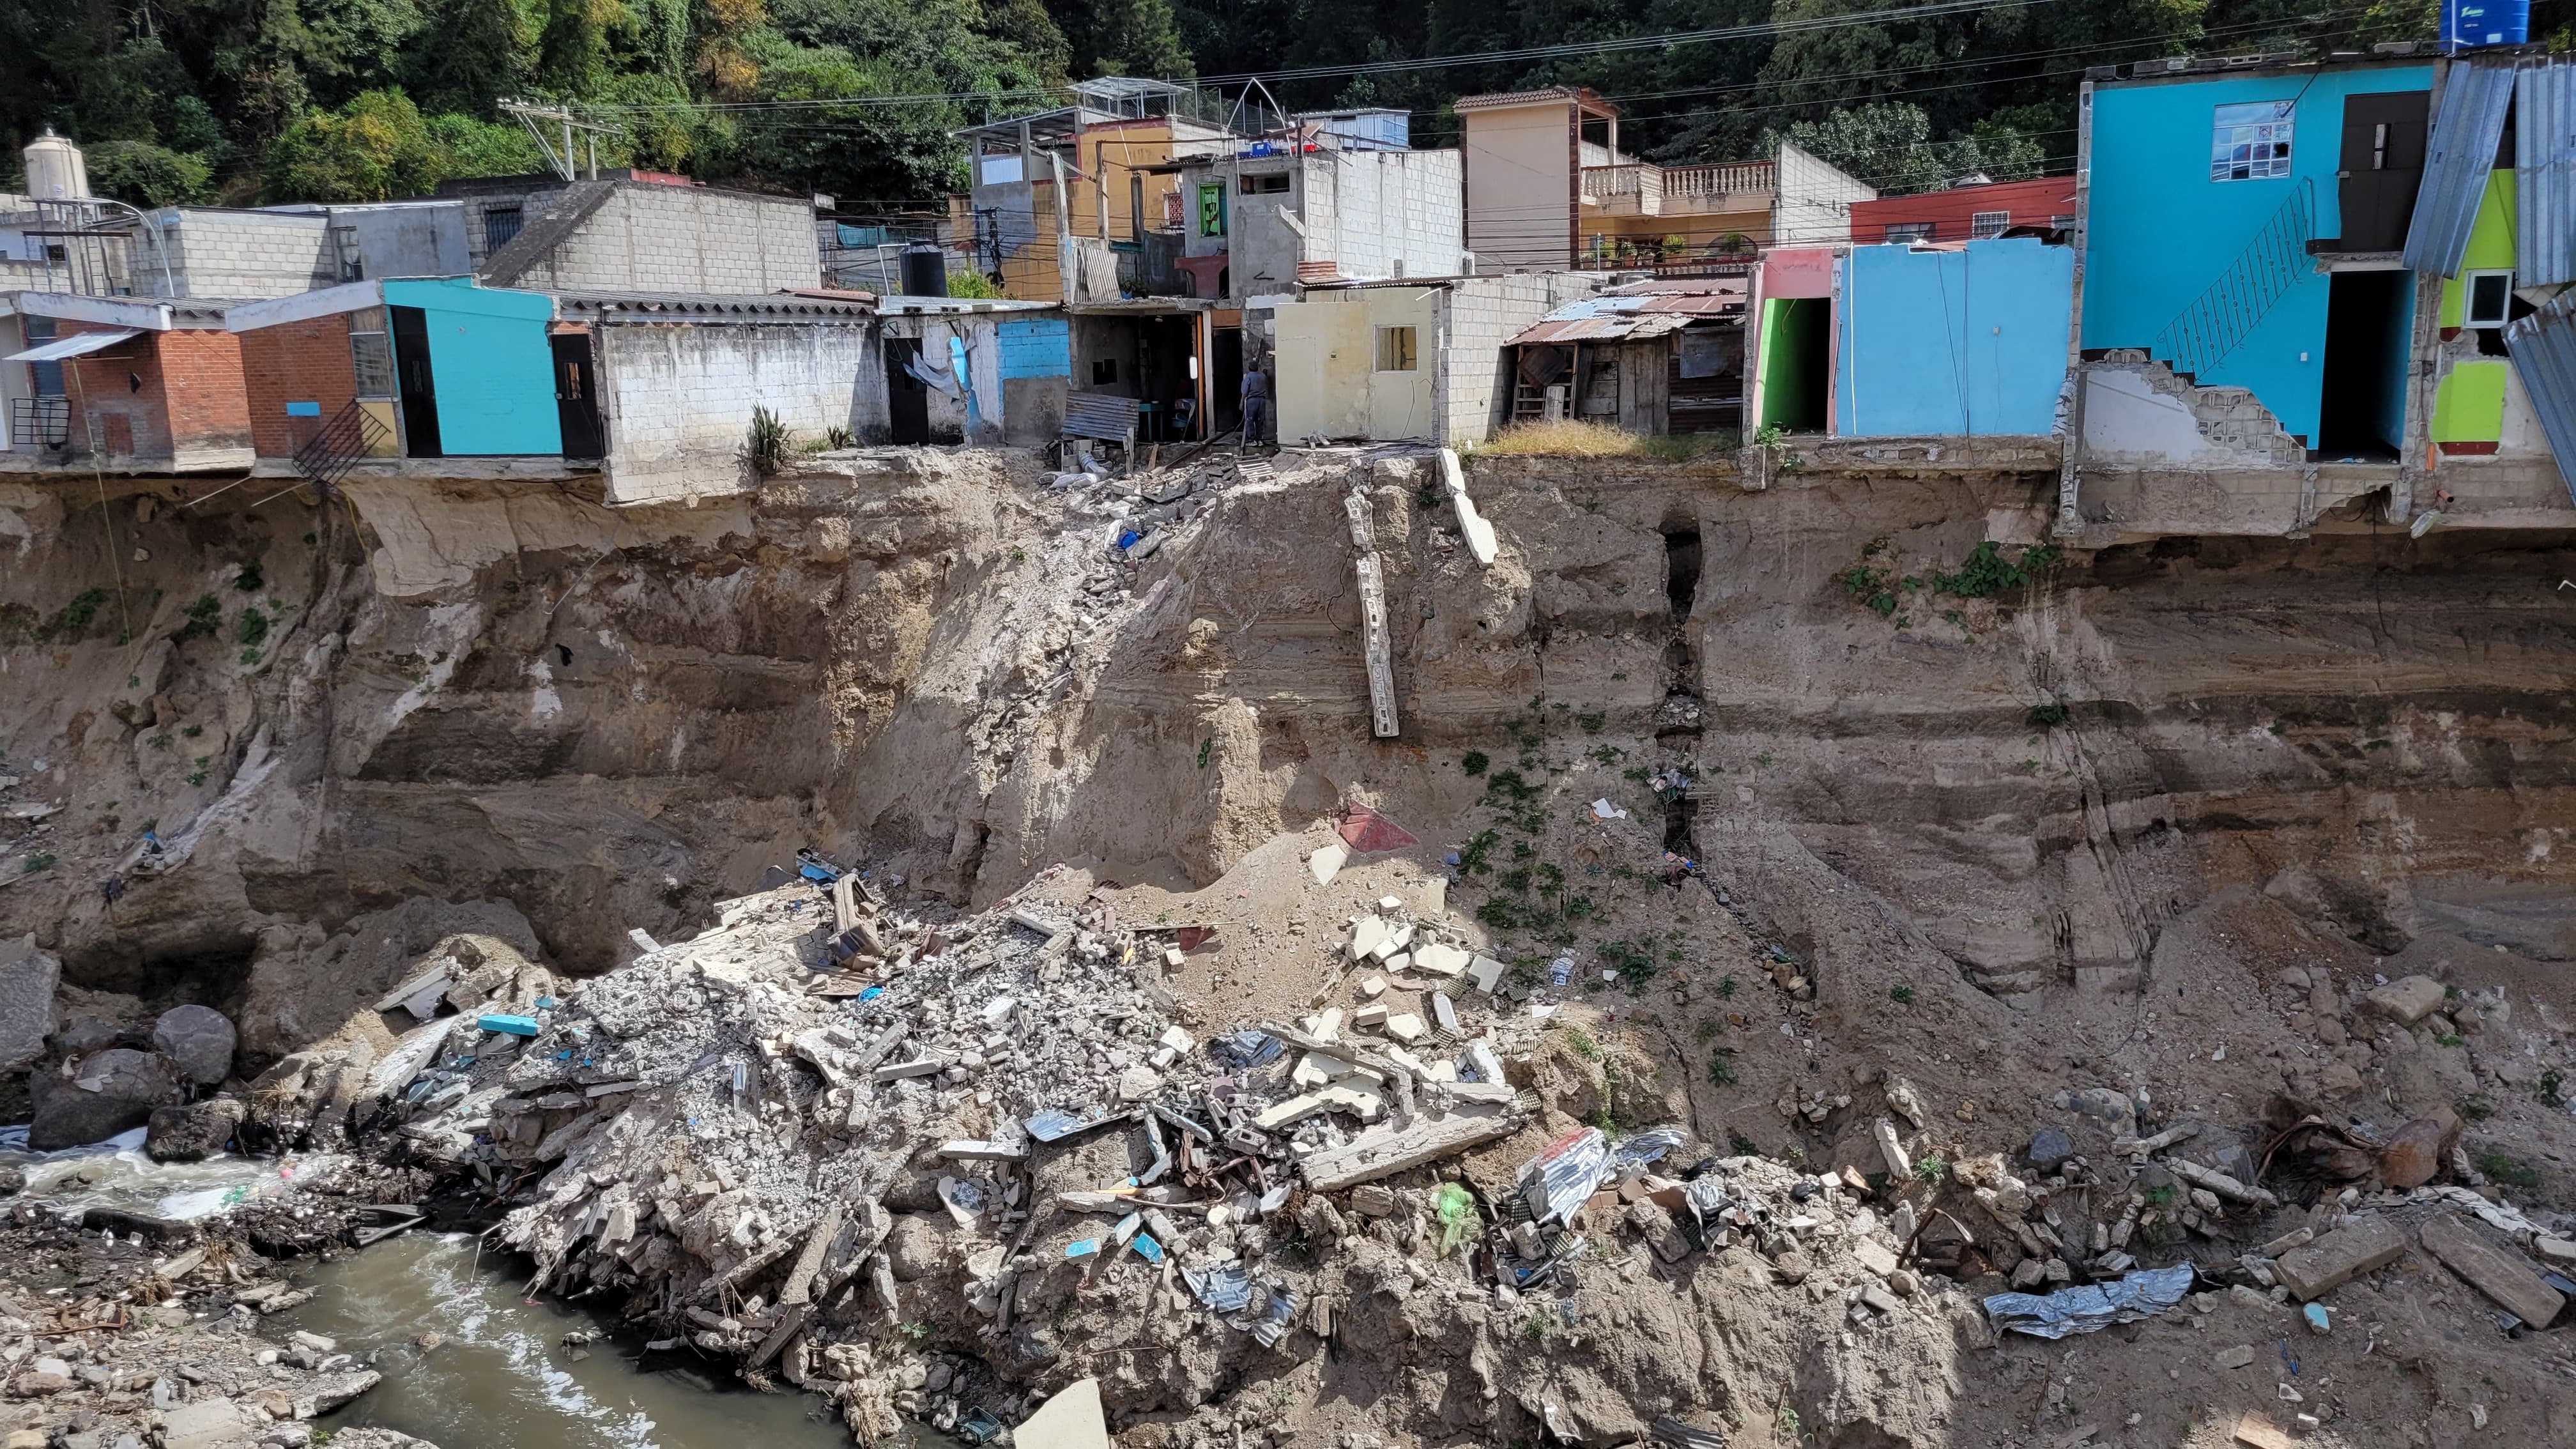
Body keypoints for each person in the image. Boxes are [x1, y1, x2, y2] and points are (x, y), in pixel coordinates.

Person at [1239, 357, 1269, 447]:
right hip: (1262, 400)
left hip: (1252, 401)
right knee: (1260, 421)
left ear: (1249, 368)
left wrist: (1241, 403)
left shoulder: (1248, 377)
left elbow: (1245, 392)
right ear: (1258, 367)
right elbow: (1266, 387)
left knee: (1250, 420)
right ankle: (1259, 440)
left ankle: (1252, 440)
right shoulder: (1263, 376)